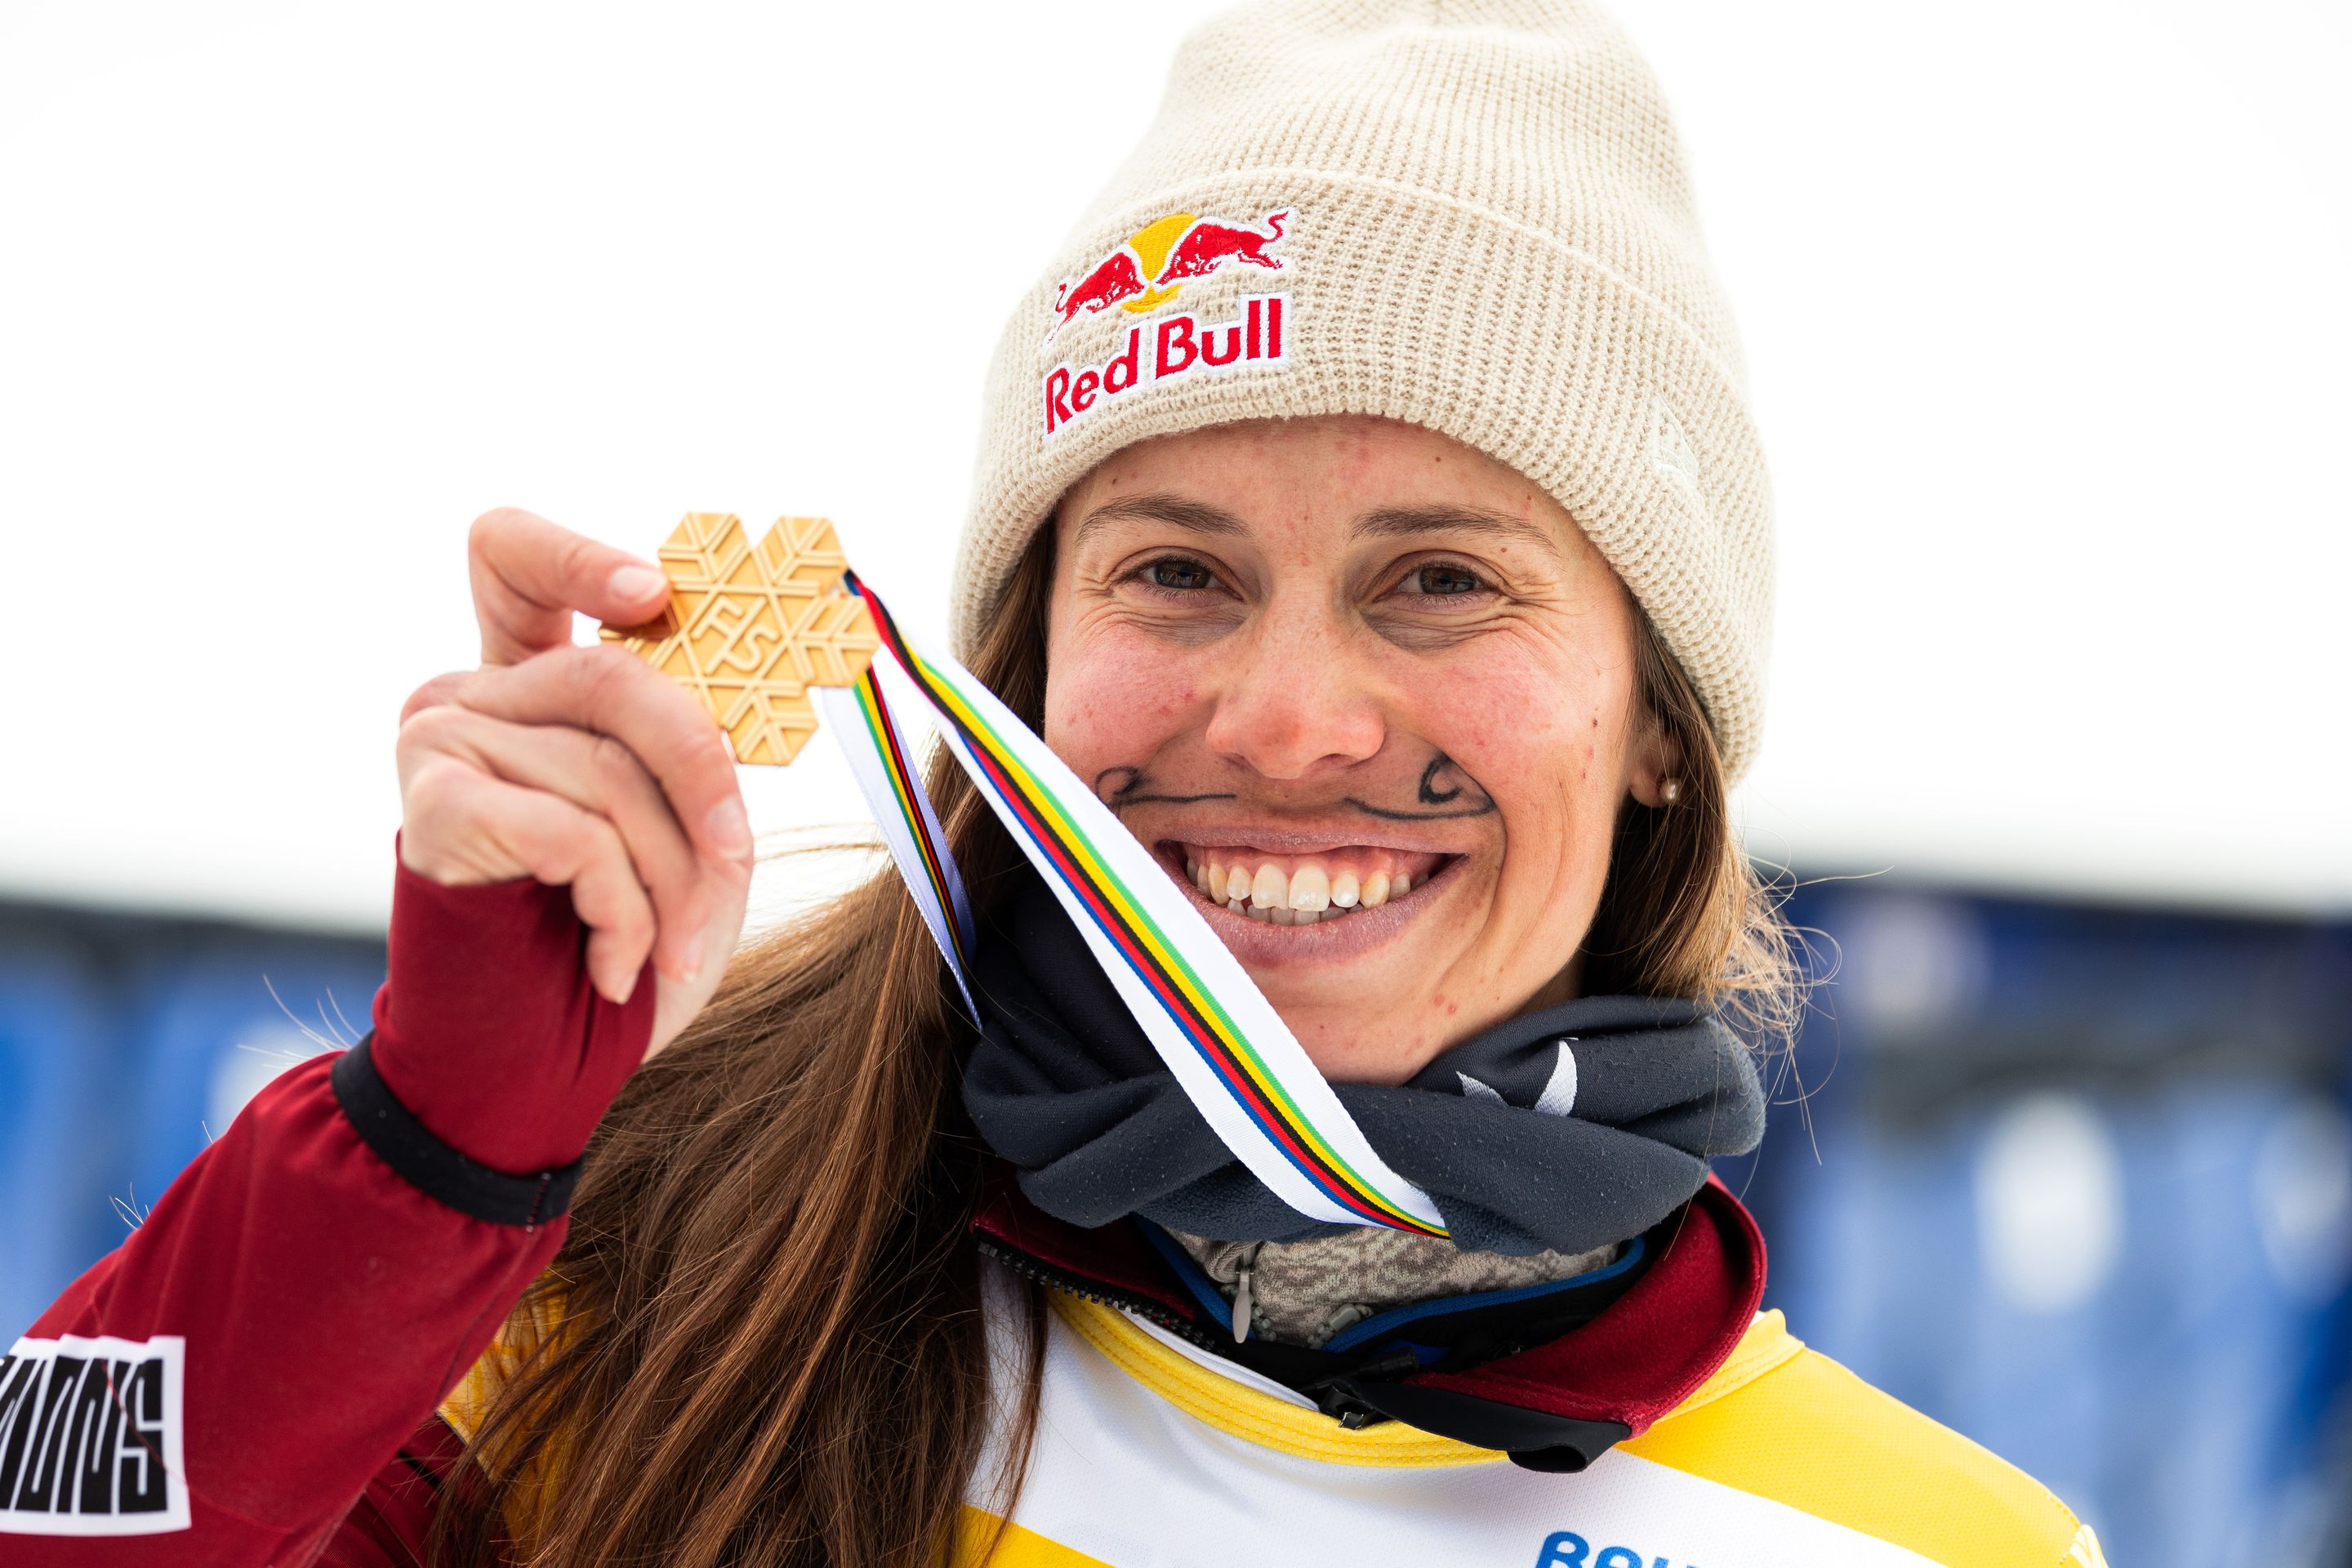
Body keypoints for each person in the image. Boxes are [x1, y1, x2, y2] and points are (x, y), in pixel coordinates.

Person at [5, 3, 2105, 1565]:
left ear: (1662, 721)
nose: (1289, 721)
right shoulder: (620, 1288)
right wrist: (431, 1151)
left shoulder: (1933, 1545)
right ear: (1019, 671)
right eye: (1176, 571)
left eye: (1442, 582)